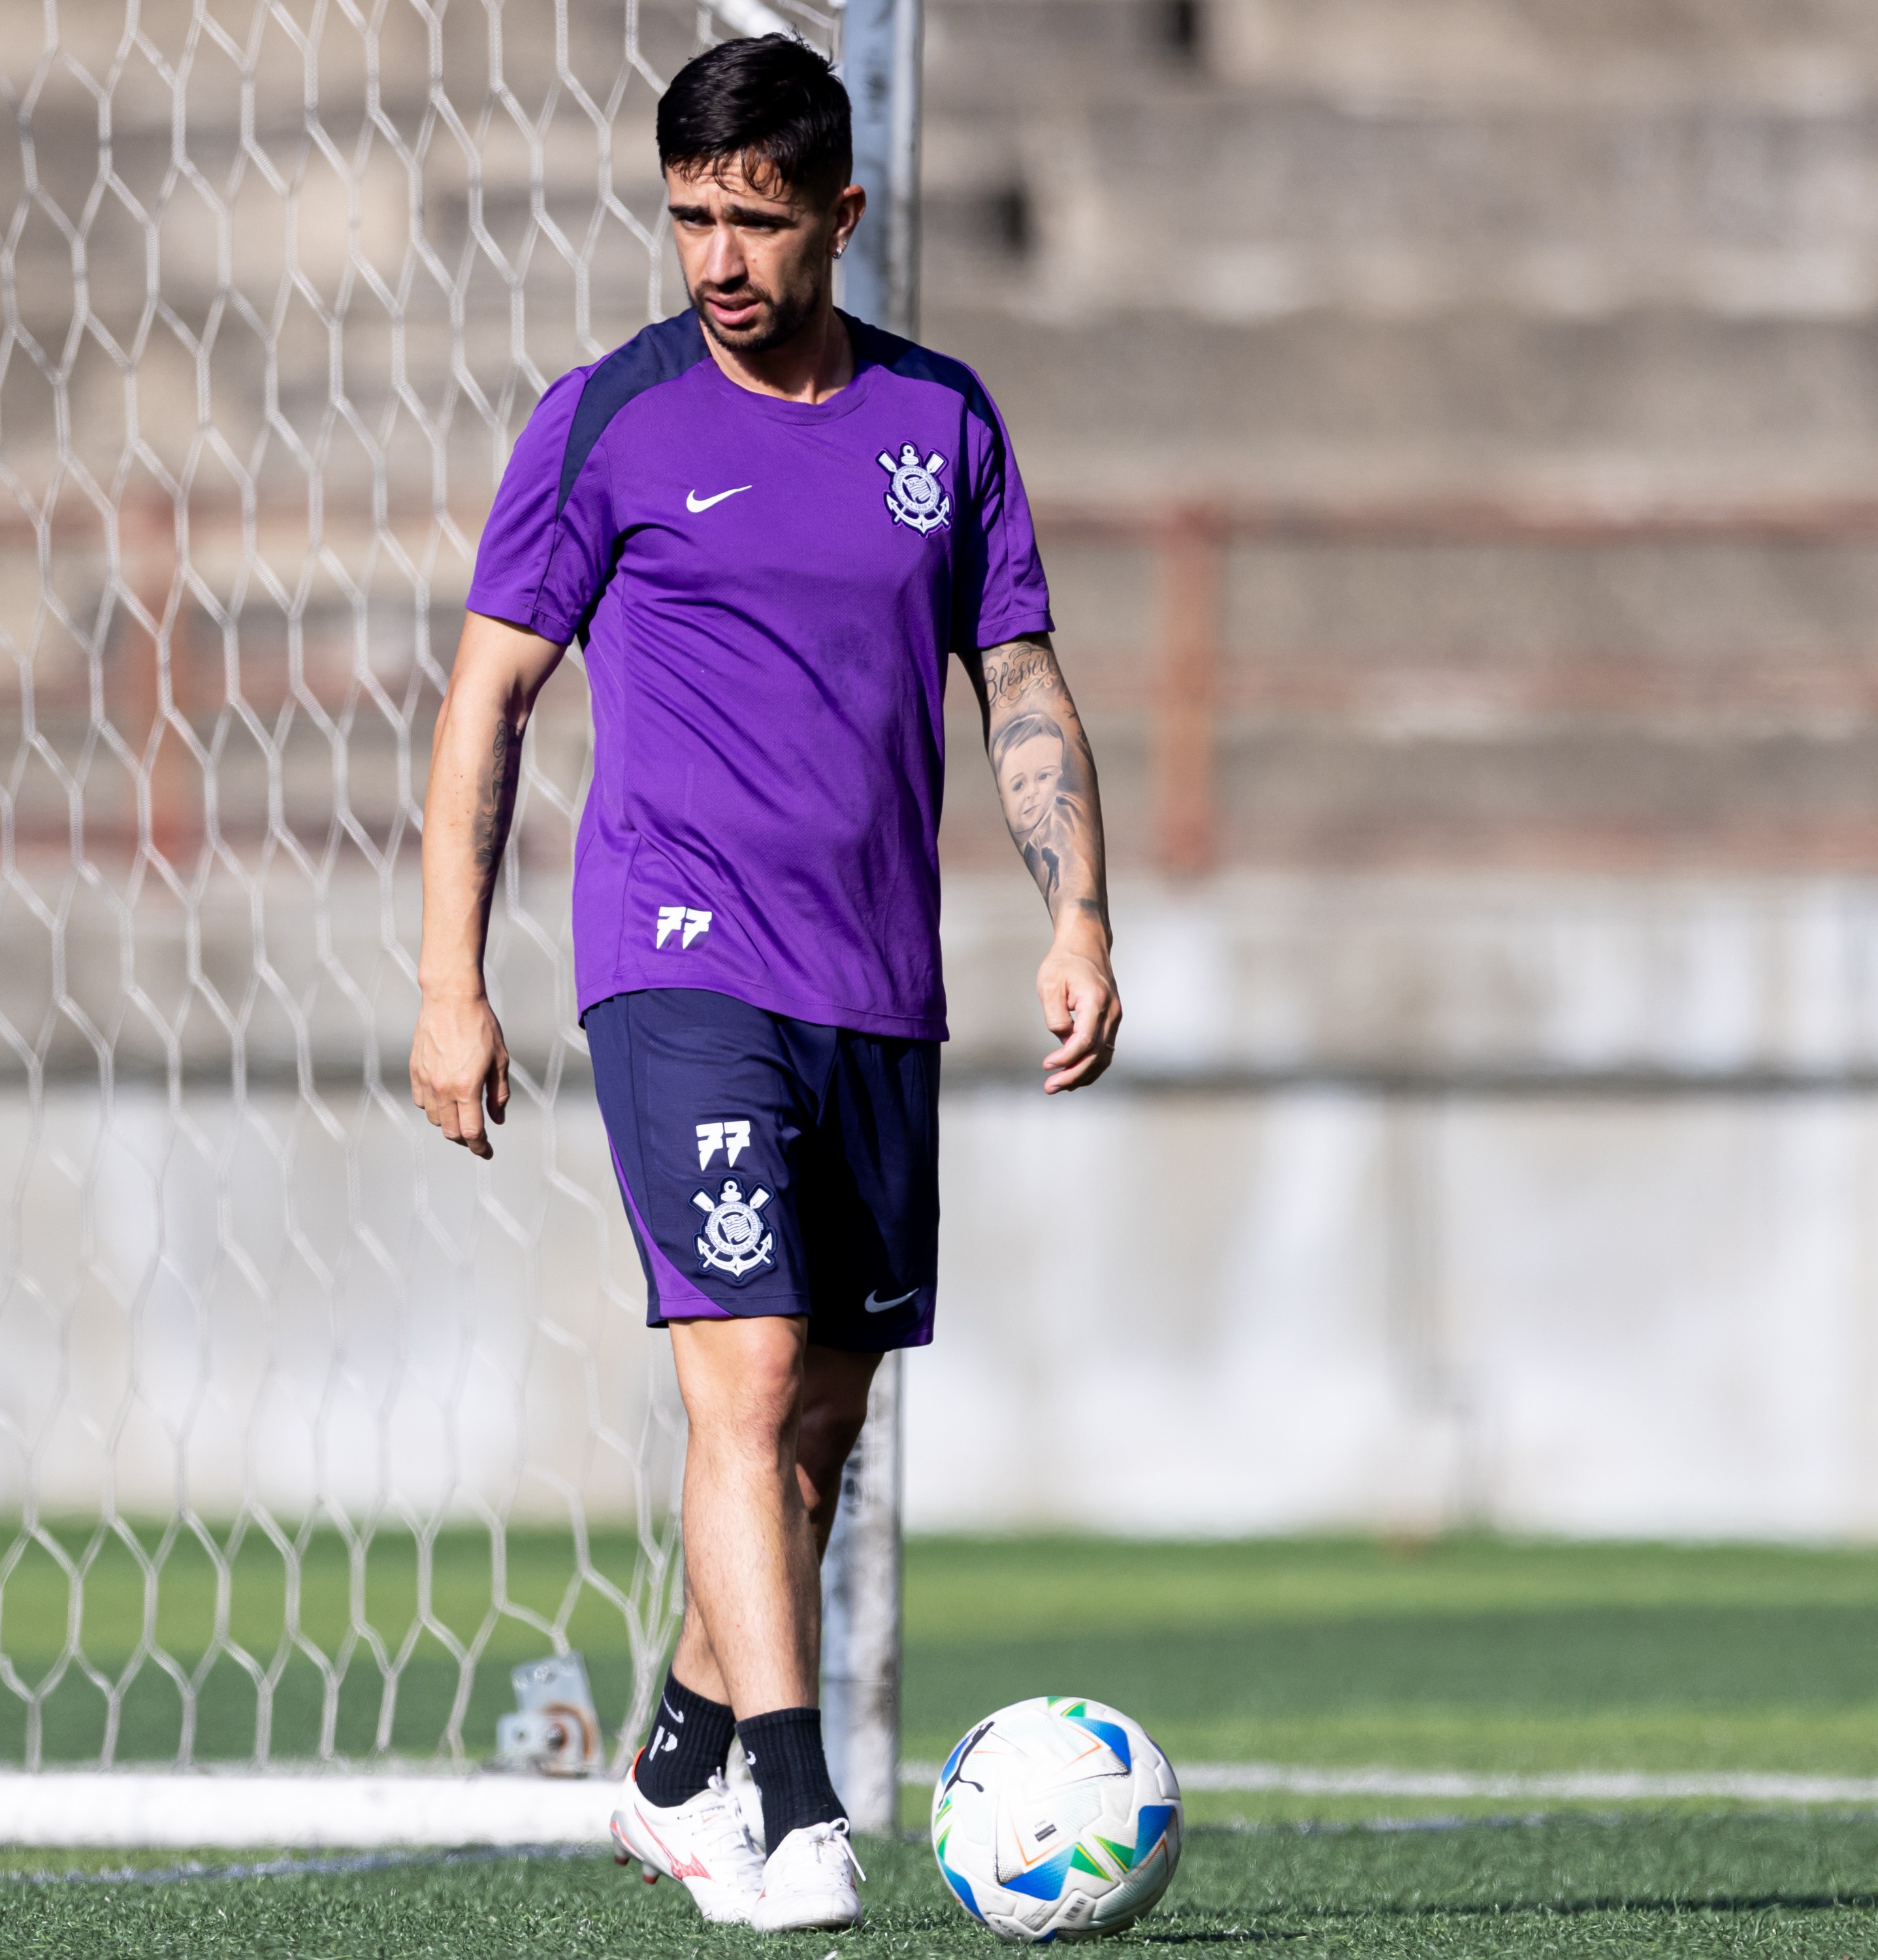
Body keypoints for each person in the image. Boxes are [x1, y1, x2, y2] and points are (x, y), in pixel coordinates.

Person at [408, 32, 1120, 1935]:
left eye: (757, 218)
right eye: (690, 217)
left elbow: (1022, 688)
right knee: (735, 1382)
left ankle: (667, 1771)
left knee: (825, 1423)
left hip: (877, 986)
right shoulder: (603, 421)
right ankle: (792, 1812)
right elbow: (488, 697)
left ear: (841, 217)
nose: (718, 257)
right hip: (677, 962)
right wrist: (447, 985)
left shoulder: (942, 427)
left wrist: (1076, 917)